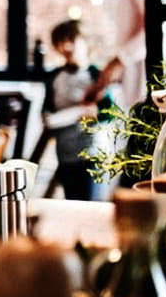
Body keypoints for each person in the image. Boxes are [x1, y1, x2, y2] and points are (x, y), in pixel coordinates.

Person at [42, 19, 117, 200]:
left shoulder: (97, 75)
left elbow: (109, 113)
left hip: (93, 154)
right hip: (66, 156)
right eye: (60, 42)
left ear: (84, 42)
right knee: (72, 203)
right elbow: (47, 115)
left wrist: (95, 113)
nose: (67, 47)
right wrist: (78, 112)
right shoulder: (54, 77)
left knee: (94, 205)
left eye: (72, 40)